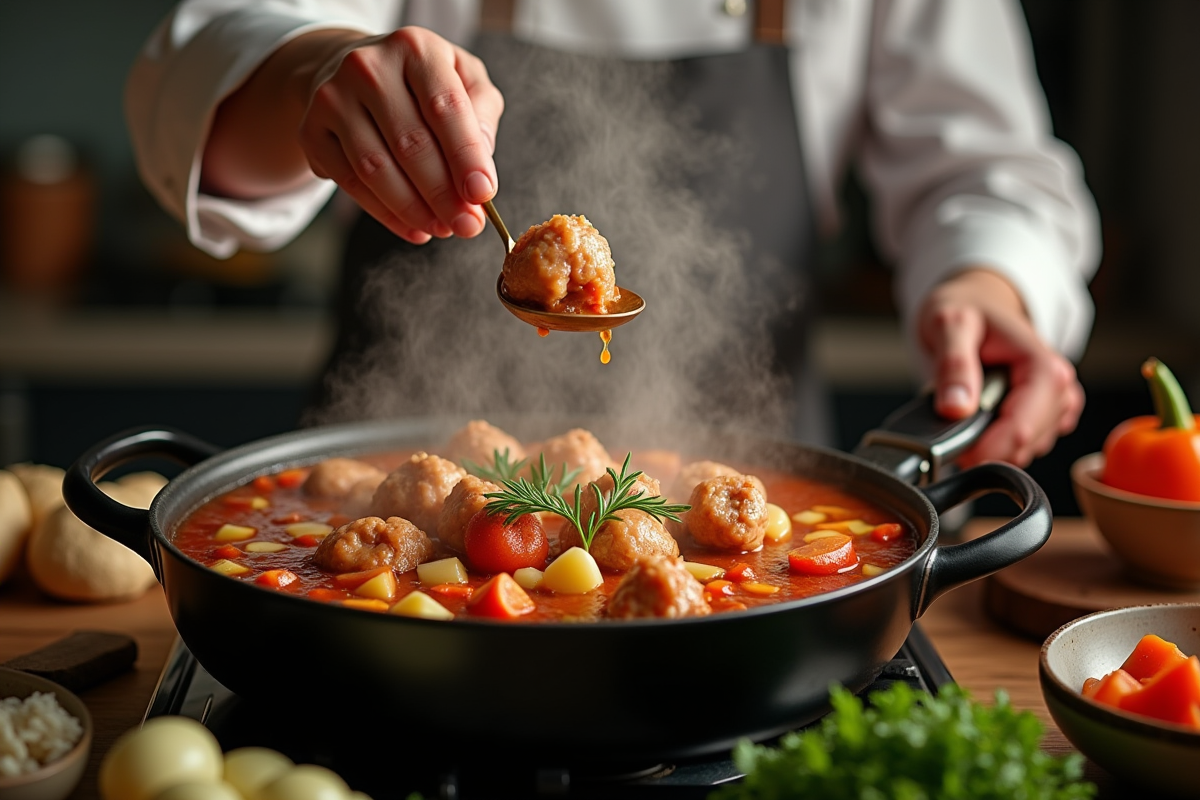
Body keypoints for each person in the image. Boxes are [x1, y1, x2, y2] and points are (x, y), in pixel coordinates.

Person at [125, 0, 1099, 467]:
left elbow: (990, 169)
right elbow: (193, 72)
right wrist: (317, 74)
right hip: (373, 499)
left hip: (761, 514)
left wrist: (990, 286)